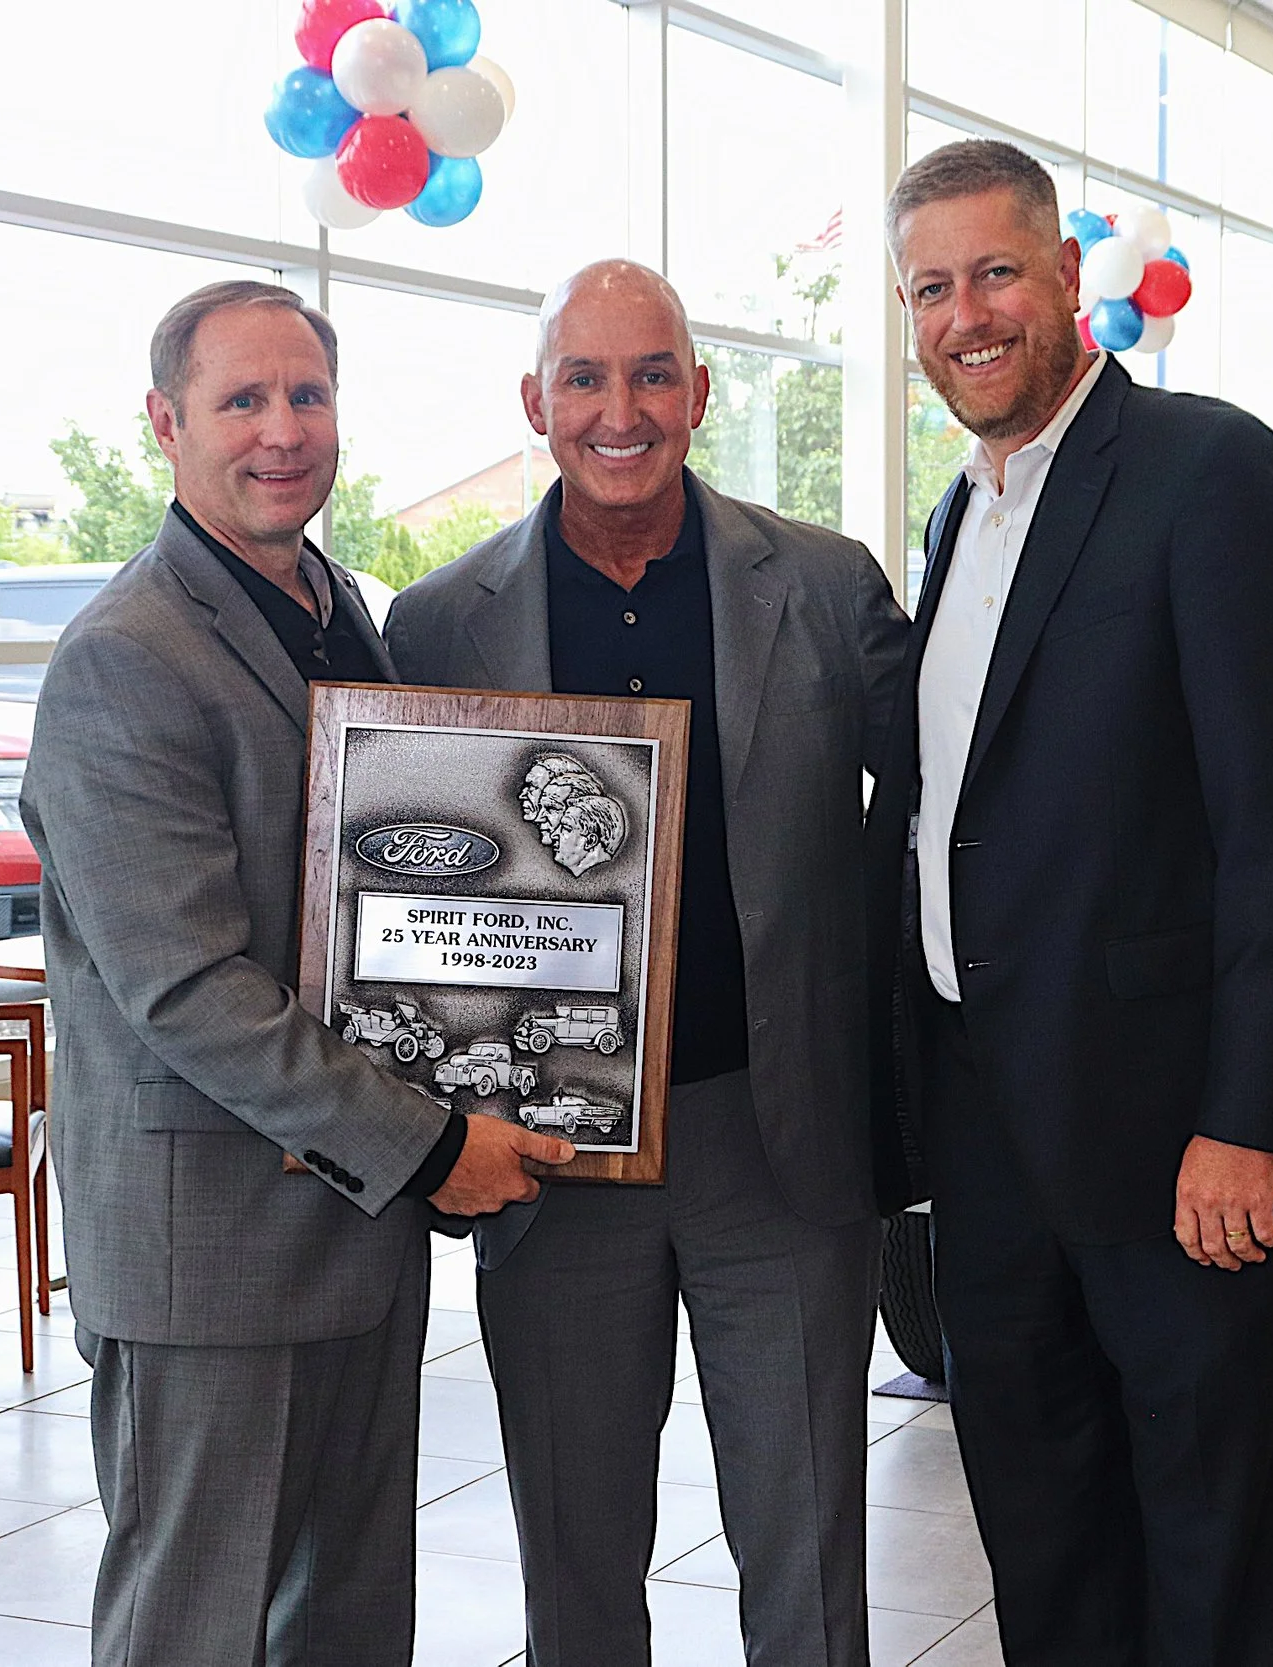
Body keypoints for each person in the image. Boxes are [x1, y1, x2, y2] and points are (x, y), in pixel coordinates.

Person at [864, 142, 1273, 1666]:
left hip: (1180, 1148)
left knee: (1206, 1539)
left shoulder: (1206, 472)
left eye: (996, 271)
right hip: (994, 1134)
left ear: (1070, 278)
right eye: (931, 287)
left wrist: (1248, 1118)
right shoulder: (963, 515)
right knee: (1042, 1520)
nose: (968, 314)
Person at [21, 279, 568, 1667]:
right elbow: (187, 987)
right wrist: (435, 1136)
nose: (282, 432)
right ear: (165, 423)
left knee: (346, 1617)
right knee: (193, 1626)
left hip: (351, 1225)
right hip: (209, 1241)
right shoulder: (124, 663)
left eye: (307, 396)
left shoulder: (338, 613)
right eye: (242, 401)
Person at [384, 258, 910, 1667]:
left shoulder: (821, 585)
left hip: (779, 1140)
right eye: (586, 378)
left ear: (701, 391)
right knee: (576, 1548)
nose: (622, 410)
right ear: (536, 400)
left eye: (653, 374)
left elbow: (937, 817)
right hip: (551, 1161)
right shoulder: (439, 622)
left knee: (806, 1545)